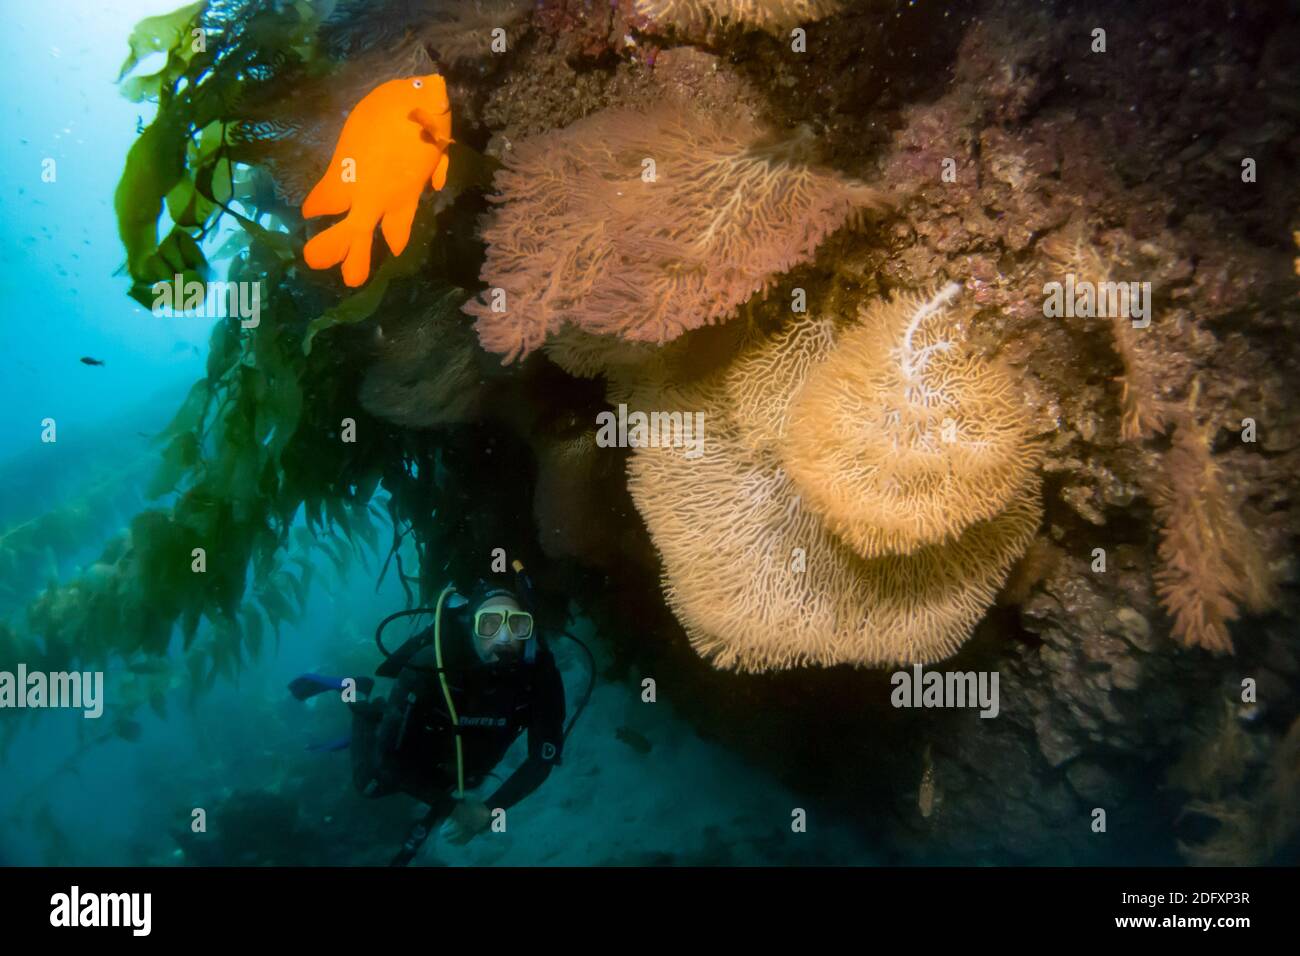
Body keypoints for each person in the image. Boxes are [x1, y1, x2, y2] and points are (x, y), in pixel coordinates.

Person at [290, 579, 566, 865]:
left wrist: (489, 810)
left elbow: (543, 757)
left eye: (517, 625)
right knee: (370, 784)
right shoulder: (430, 667)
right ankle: (358, 692)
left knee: (462, 781)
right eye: (489, 624)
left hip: (465, 758)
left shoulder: (540, 674)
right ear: (471, 627)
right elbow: (388, 759)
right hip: (418, 744)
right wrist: (458, 810)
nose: (504, 638)